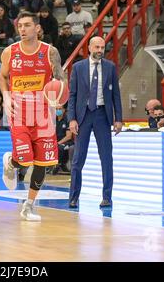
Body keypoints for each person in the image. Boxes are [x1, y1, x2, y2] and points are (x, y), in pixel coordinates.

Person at [0, 11, 66, 221]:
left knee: (43, 163)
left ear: (37, 28)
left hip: (44, 115)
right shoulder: (10, 52)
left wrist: (59, 98)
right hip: (18, 112)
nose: (22, 29)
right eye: (20, 26)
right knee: (25, 160)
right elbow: (2, 76)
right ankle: (11, 161)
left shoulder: (50, 52)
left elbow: (61, 80)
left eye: (27, 25)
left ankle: (29, 205)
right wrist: (6, 97)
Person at [68, 36, 122, 209]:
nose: (100, 50)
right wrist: (72, 119)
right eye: (97, 47)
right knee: (78, 160)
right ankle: (74, 197)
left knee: (106, 158)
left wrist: (118, 118)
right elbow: (72, 96)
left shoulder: (110, 67)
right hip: (83, 116)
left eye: (102, 47)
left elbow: (116, 95)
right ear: (89, 48)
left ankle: (107, 197)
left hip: (102, 115)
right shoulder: (78, 67)